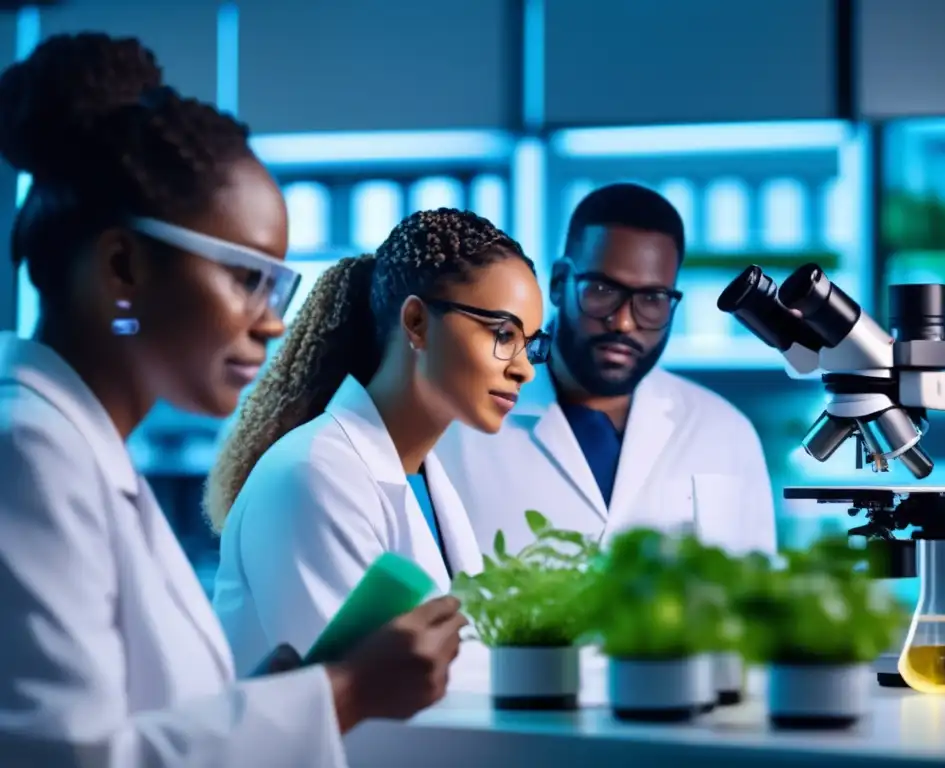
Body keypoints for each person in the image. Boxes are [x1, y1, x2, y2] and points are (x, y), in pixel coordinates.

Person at [0, 34, 466, 768]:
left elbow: (138, 722)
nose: (274, 320)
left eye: (279, 285)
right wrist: (345, 693)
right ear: (122, 264)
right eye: (248, 278)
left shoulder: (79, 448)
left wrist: (272, 700)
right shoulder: (28, 454)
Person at [205, 208, 549, 675]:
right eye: (503, 334)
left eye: (531, 343)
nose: (524, 368)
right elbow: (361, 697)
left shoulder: (426, 478)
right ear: (416, 322)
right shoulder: (311, 476)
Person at [435, 183, 777, 557]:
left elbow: (755, 597)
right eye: (601, 289)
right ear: (558, 282)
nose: (623, 323)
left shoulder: (725, 432)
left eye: (652, 299)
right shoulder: (458, 426)